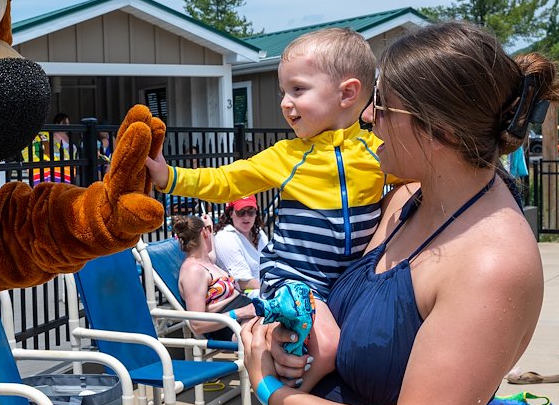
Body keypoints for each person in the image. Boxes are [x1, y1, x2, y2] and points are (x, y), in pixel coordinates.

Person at [240, 21, 559, 405]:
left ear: (440, 130)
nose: (367, 116)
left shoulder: (492, 265)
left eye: (383, 105)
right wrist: (289, 340)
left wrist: (272, 392)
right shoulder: (407, 199)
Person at [146, 27, 396, 301]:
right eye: (283, 93)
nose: (285, 103)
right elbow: (225, 180)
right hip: (296, 279)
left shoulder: (378, 150)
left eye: (297, 90)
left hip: (351, 279)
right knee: (325, 344)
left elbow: (422, 183)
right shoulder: (286, 156)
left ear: (347, 93)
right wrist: (168, 176)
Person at [172, 215, 255, 339]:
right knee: (276, 334)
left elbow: (211, 252)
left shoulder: (207, 260)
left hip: (244, 317)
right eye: (209, 231)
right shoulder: (193, 271)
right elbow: (197, 324)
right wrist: (240, 312)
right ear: (204, 232)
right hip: (232, 326)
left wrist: (209, 225)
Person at [212, 195, 270, 292]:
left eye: (251, 212)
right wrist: (275, 287)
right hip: (246, 294)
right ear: (231, 213)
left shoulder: (259, 233)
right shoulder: (225, 237)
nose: (246, 217)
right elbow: (243, 282)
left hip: (265, 288)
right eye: (241, 212)